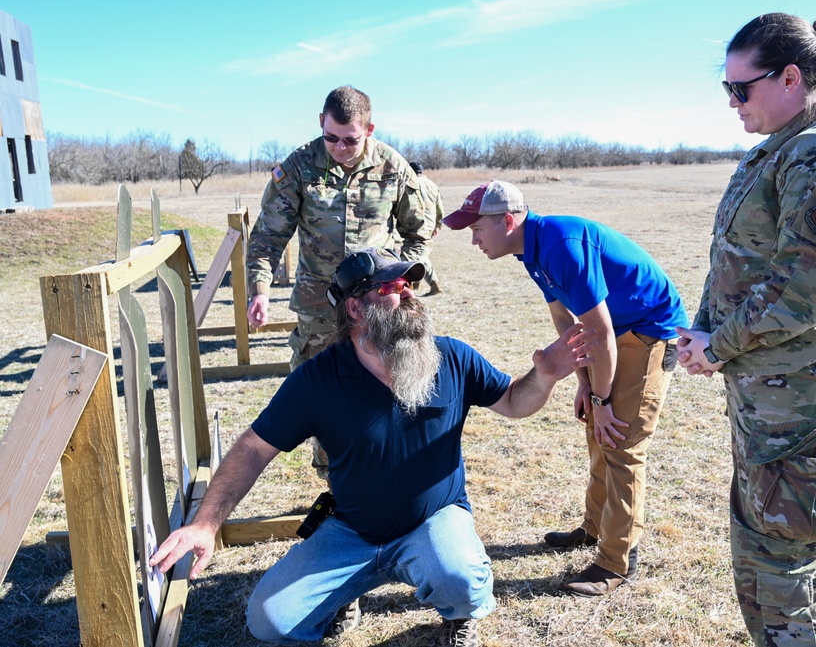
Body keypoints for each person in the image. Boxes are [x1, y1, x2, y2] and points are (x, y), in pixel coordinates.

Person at [150, 247, 595, 647]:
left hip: (433, 520)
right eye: (390, 286)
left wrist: (546, 376)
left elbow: (516, 402)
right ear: (355, 308)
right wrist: (205, 525)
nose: (406, 294)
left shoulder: (452, 357)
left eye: (407, 284)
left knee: (461, 581)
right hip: (352, 530)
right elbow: (252, 449)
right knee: (268, 621)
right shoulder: (317, 380)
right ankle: (344, 596)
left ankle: (457, 617)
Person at [675, 13, 816, 646]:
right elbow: (736, 261)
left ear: (791, 77)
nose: (731, 103)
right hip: (767, 390)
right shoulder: (775, 152)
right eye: (727, 89)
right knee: (762, 547)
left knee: (789, 558)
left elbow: (804, 292)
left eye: (740, 89)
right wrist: (702, 335)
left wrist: (716, 345)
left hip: (806, 394)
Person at [442, 181, 689, 597]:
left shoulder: (559, 245)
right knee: (597, 431)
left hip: (648, 333)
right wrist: (586, 383)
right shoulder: (531, 249)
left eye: (477, 229)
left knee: (622, 443)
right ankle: (594, 529)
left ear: (507, 221)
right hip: (613, 333)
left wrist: (603, 398)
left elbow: (601, 332)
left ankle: (615, 562)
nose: (473, 240)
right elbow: (568, 324)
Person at [244, 85, 437, 481]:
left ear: (369, 129)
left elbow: (420, 231)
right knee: (322, 391)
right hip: (320, 304)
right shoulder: (299, 166)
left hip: (378, 303)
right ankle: (334, 481)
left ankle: (384, 472)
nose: (340, 146)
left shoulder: (392, 166)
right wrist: (259, 291)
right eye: (331, 137)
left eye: (350, 139)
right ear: (321, 123)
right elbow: (267, 237)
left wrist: (402, 277)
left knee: (384, 381)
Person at [409, 161, 445, 295]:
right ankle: (425, 283)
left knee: (416, 255)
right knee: (420, 252)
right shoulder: (432, 185)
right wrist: (437, 224)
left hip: (414, 225)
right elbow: (439, 208)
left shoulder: (409, 182)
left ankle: (420, 282)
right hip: (429, 225)